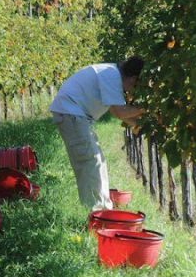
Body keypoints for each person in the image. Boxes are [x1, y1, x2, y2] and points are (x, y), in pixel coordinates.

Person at [49, 57, 145, 211]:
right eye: (134, 85)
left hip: (73, 114)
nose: (131, 90)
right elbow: (120, 112)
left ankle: (102, 209)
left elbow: (114, 110)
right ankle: (97, 213)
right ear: (133, 78)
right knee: (90, 162)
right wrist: (147, 110)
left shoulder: (111, 73)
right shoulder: (111, 76)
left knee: (96, 161)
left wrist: (139, 124)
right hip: (71, 113)